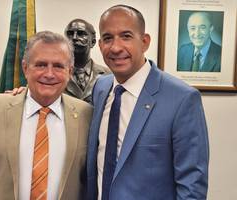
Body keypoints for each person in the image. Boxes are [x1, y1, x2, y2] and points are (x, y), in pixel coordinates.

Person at [86, 5, 209, 200]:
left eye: (126, 36)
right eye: (108, 38)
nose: (116, 47)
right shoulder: (100, 87)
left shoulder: (182, 99)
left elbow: (192, 186)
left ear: (144, 42)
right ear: (100, 45)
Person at [0, 31, 92, 200]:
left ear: (70, 71)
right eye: (41, 65)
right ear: (25, 67)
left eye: (58, 66)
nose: (49, 74)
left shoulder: (86, 115)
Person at [64, 18, 111, 103]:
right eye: (70, 34)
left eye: (81, 33)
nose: (74, 38)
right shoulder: (56, 75)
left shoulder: (109, 75)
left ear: (92, 42)